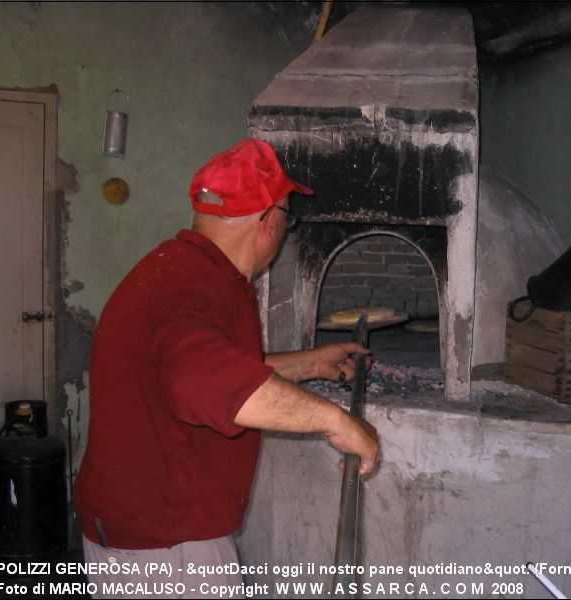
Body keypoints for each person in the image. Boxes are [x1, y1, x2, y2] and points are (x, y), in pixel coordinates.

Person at [73, 139, 378, 598]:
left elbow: (206, 368)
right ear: (268, 220)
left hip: (160, 523)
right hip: (160, 543)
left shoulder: (188, 269)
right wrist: (336, 422)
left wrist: (312, 363)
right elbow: (201, 382)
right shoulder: (189, 284)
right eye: (287, 218)